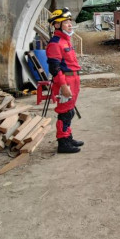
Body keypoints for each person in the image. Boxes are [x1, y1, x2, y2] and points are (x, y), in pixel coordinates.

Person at [47, 8, 83, 153]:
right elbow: (54, 68)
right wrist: (63, 86)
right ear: (57, 25)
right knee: (65, 112)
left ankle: (68, 137)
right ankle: (63, 142)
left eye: (70, 21)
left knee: (70, 111)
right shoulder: (55, 43)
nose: (69, 24)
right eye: (66, 22)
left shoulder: (65, 41)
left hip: (73, 78)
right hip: (65, 80)